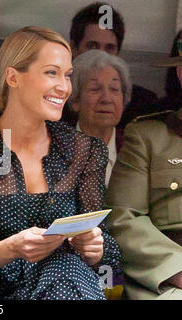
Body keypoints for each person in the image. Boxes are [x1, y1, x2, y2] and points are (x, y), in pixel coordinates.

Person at [0, 26, 121, 300]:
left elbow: (110, 255)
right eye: (51, 72)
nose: (64, 87)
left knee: (67, 270)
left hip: (71, 285)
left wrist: (96, 248)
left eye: (68, 75)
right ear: (13, 77)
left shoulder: (85, 150)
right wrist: (9, 248)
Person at [106, 53, 182, 300]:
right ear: (181, 74)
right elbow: (123, 218)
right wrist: (175, 267)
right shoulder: (147, 136)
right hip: (169, 276)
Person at [62, 1, 157, 129]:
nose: (101, 55)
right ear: (73, 48)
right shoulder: (53, 100)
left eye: (109, 48)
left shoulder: (143, 103)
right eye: (92, 47)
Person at [69, 49, 132, 185]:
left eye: (114, 89)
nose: (106, 99)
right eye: (94, 89)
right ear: (75, 100)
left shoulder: (136, 150)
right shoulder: (52, 149)